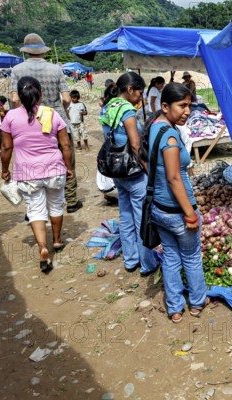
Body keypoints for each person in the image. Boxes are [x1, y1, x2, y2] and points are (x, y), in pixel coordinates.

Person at [145, 82, 208, 323]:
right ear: (165, 106)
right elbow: (173, 178)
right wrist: (190, 213)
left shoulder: (154, 127)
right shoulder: (170, 136)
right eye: (182, 106)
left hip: (159, 209)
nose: (187, 111)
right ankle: (197, 302)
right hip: (177, 212)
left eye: (189, 106)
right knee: (191, 257)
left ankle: (174, 307)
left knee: (171, 257)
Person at [0, 77, 73, 273]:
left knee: (35, 211)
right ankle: (57, 241)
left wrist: (5, 169)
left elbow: (6, 147)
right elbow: (65, 144)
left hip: (27, 172)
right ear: (40, 94)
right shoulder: (52, 114)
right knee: (56, 204)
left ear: (19, 97)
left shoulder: (11, 117)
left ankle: (42, 247)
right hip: (54, 169)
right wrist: (69, 167)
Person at [11, 33, 82, 213]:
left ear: (26, 51)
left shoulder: (17, 70)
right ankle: (71, 200)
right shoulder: (55, 69)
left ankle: (35, 206)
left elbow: (14, 100)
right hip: (55, 117)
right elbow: (66, 98)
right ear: (43, 51)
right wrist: (61, 111)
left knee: (30, 159)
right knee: (67, 157)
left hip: (29, 122)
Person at [100, 72, 158, 276]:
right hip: (133, 172)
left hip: (117, 170)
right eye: (139, 92)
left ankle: (131, 260)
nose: (140, 97)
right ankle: (148, 263)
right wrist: (148, 169)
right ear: (130, 89)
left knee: (125, 216)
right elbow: (135, 144)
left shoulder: (108, 106)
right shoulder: (127, 110)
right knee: (142, 218)